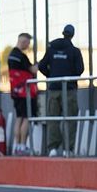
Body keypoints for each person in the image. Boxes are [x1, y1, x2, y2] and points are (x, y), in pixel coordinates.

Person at [37, 24, 85, 156]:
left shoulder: (51, 48)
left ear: (63, 33)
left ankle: (52, 149)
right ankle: (67, 149)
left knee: (53, 118)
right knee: (70, 118)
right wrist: (70, 77)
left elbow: (41, 65)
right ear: (72, 35)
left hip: (53, 89)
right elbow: (80, 70)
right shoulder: (75, 51)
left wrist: (51, 76)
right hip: (69, 89)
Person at [8, 33, 39, 155]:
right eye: (28, 43)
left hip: (15, 92)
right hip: (25, 92)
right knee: (26, 118)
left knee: (19, 118)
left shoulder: (11, 55)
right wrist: (39, 64)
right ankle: (22, 146)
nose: (28, 45)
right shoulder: (21, 56)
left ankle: (17, 146)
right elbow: (32, 70)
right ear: (24, 42)